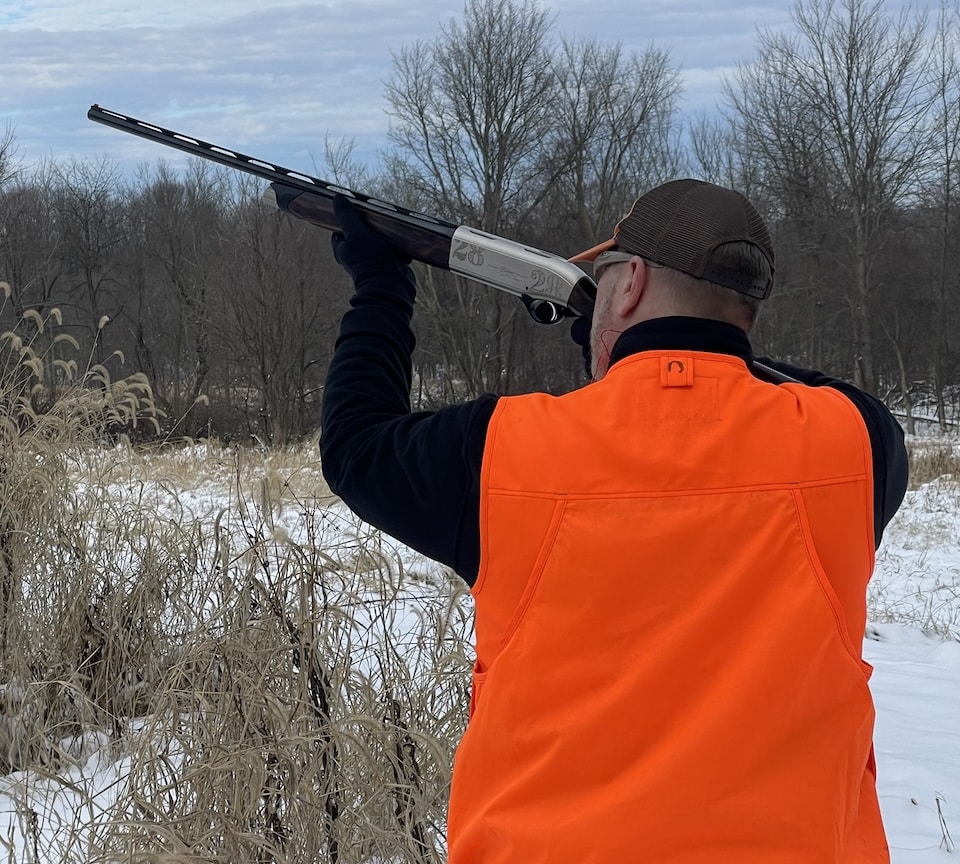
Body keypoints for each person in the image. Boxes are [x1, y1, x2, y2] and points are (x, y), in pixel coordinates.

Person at [320, 179, 908, 863]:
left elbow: (355, 445)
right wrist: (650, 346)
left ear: (627, 288)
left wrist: (380, 284)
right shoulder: (858, 446)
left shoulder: (501, 451)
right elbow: (802, 399)